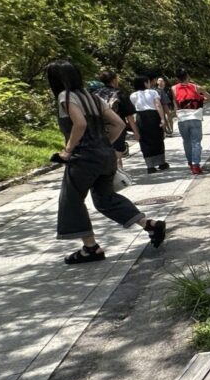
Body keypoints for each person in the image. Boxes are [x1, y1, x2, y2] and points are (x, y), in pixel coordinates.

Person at [46, 60, 166, 264]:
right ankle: (150, 225)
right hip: (106, 155)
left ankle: (90, 248)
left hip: (83, 158)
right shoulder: (93, 97)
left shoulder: (65, 96)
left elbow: (80, 123)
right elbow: (119, 123)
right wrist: (103, 144)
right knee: (105, 198)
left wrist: (67, 151)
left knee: (71, 200)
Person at [172, 70, 210, 175]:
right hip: (195, 117)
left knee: (186, 142)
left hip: (182, 118)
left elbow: (175, 103)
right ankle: (196, 165)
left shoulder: (173, 88)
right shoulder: (196, 87)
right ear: (187, 76)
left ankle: (190, 163)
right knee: (196, 142)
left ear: (177, 78)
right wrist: (201, 100)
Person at [93, 70, 139, 167]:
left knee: (106, 155)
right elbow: (129, 116)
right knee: (117, 156)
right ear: (114, 80)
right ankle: (117, 179)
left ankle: (114, 178)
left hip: (98, 129)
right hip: (117, 128)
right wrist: (136, 132)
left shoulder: (94, 94)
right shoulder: (118, 93)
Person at [130, 76, 168, 174]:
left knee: (145, 141)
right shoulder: (153, 92)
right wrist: (163, 119)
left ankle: (150, 166)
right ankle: (161, 163)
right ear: (145, 83)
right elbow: (158, 105)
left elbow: (133, 110)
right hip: (153, 116)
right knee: (158, 139)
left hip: (141, 118)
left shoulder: (133, 95)